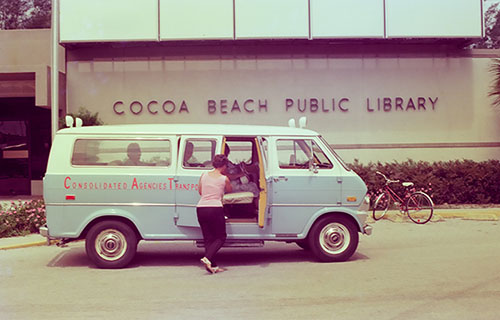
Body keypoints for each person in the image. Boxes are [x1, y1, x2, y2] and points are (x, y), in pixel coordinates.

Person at [197, 154, 232, 274]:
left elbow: (200, 191)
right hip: (215, 208)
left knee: (208, 238)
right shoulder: (224, 178)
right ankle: (207, 258)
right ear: (223, 166)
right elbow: (230, 190)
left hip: (201, 208)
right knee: (221, 237)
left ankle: (212, 265)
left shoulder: (204, 175)